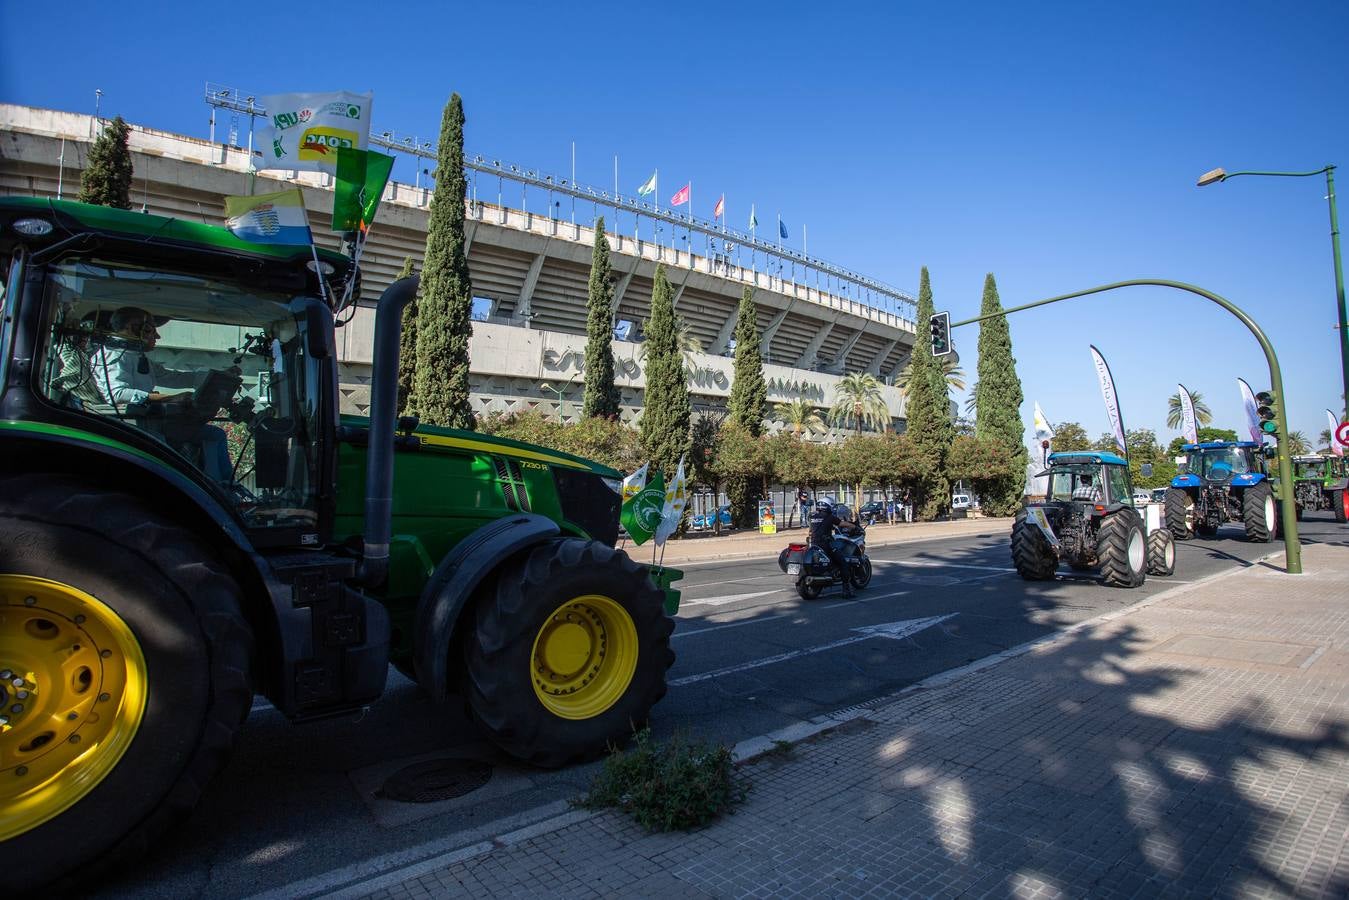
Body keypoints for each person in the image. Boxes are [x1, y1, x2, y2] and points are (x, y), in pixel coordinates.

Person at [91, 306, 235, 483]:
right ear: (131, 327)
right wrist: (171, 398)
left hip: (153, 423)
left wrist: (218, 375)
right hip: (135, 428)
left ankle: (224, 488)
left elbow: (173, 377)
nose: (157, 336)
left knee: (215, 435)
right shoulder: (112, 356)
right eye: (150, 329)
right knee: (205, 439)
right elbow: (118, 394)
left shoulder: (136, 356)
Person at [808, 498, 855, 598]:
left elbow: (813, 529)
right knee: (843, 562)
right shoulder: (830, 517)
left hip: (814, 545)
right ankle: (846, 590)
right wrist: (853, 526)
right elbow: (842, 523)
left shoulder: (812, 516)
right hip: (826, 546)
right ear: (828, 506)